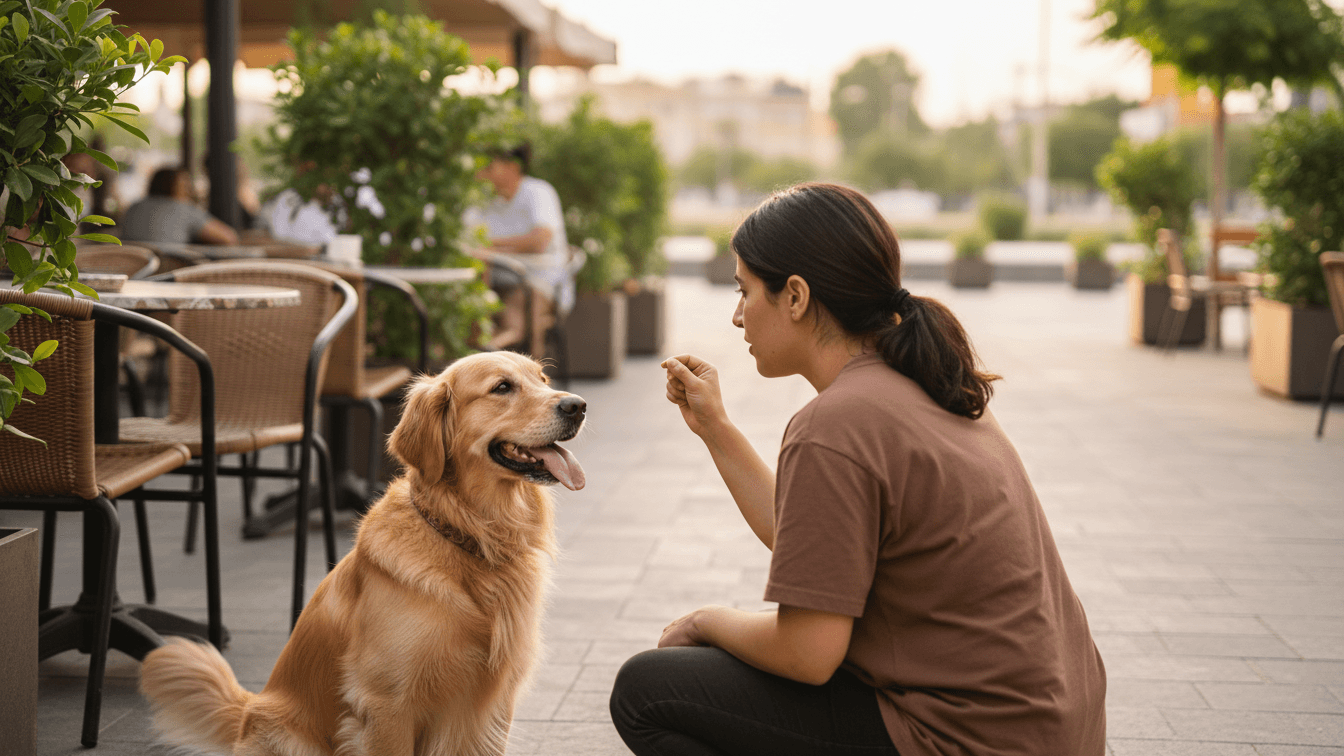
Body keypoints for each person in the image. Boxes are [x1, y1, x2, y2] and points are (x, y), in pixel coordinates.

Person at [609, 183, 1106, 756]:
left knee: (647, 691)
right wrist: (715, 428)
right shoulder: (930, 381)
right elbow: (814, 545)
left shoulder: (836, 423)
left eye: (745, 291)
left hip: (968, 738)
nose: (737, 316)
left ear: (796, 296)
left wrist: (705, 621)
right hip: (1051, 731)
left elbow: (808, 652)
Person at [467, 143, 569, 355]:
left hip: (538, 277)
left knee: (517, 316)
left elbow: (540, 240)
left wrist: (492, 246)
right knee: (471, 302)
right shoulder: (484, 200)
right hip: (495, 278)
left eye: (489, 167)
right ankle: (477, 353)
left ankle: (505, 358)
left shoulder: (538, 192)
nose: (481, 173)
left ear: (512, 167)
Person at [119, 167, 238, 245]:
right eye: (186, 186)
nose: (190, 190)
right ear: (176, 188)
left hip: (133, 269)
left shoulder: (134, 206)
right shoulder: (183, 208)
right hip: (172, 270)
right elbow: (229, 238)